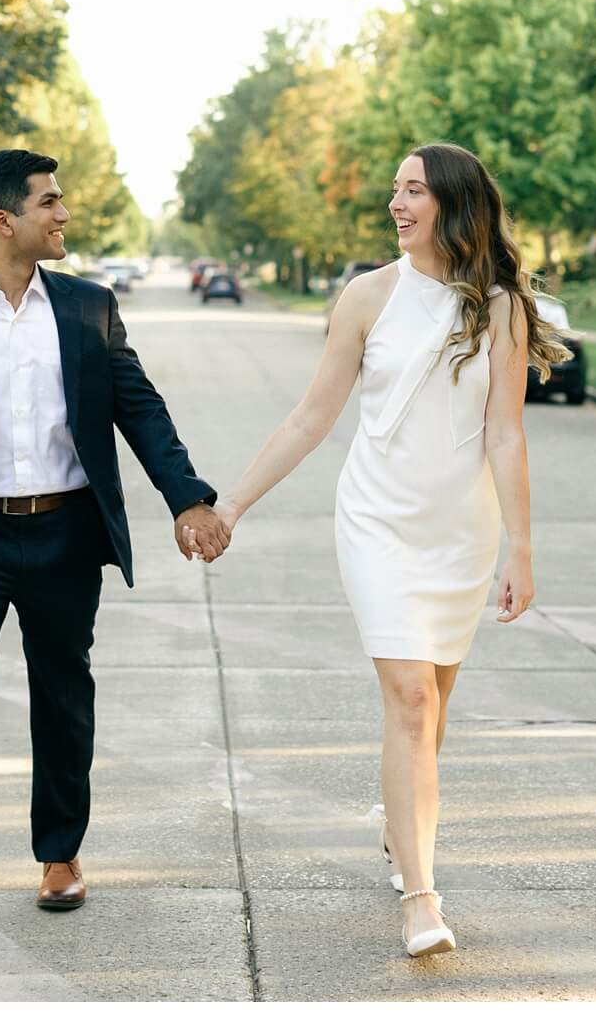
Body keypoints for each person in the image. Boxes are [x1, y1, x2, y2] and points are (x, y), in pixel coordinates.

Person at [209, 143, 560, 957]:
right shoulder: (367, 296)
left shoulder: (500, 307)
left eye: (415, 191)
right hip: (377, 523)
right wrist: (230, 503)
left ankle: (400, 828)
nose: (397, 204)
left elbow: (507, 436)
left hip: (460, 532)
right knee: (409, 703)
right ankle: (421, 895)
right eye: (395, 190)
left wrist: (523, 548)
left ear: (454, 205)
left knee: (430, 716)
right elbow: (310, 417)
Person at [0, 149, 223, 969]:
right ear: (5, 220)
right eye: (50, 203)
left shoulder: (87, 306)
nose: (64, 215)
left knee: (62, 698)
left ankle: (60, 853)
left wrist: (189, 496)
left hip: (66, 533)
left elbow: (139, 407)